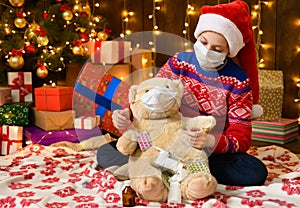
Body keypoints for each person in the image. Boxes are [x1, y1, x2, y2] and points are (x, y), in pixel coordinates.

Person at [97, 0, 268, 186]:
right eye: (203, 42)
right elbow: (151, 93)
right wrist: (127, 113)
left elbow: (241, 138)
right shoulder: (180, 62)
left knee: (254, 172)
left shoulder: (238, 81)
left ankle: (167, 168)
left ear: (229, 51)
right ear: (197, 37)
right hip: (162, 140)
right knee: (106, 153)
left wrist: (210, 141)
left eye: (218, 49)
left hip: (205, 150)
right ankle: (178, 169)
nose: (208, 51)